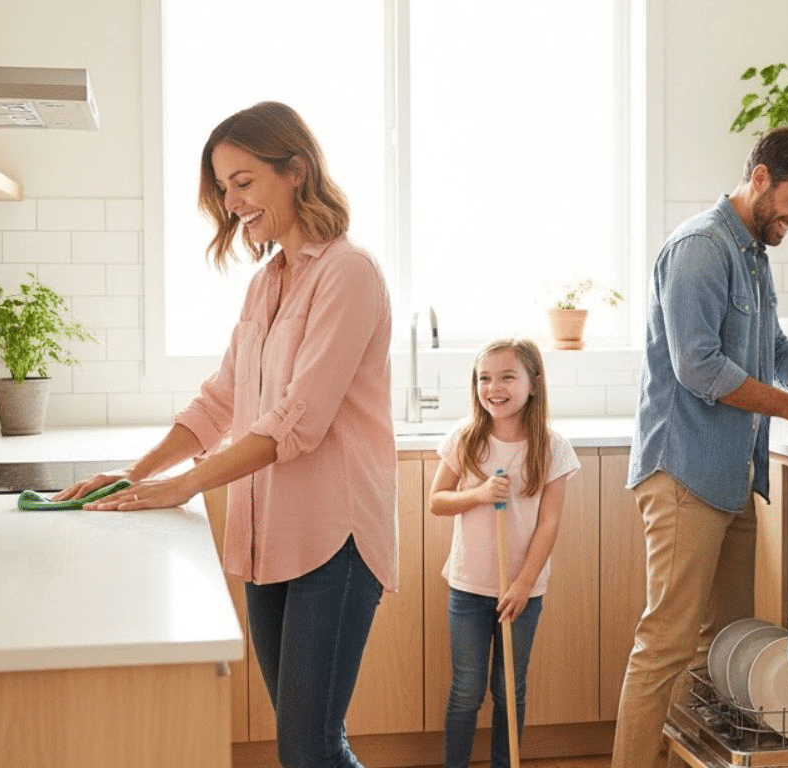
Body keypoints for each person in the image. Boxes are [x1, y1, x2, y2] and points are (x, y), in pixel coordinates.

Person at [58, 101, 396, 768]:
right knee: (308, 744)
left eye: (244, 181)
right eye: (222, 187)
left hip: (337, 537)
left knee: (309, 746)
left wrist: (183, 485)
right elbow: (221, 402)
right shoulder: (266, 284)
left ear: (295, 169)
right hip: (270, 536)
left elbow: (299, 418)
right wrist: (136, 474)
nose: (232, 201)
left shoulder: (348, 272)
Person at [612, 126, 788, 768]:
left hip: (730, 475)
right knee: (666, 644)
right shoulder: (702, 249)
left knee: (722, 646)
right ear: (760, 178)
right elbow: (698, 367)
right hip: (684, 473)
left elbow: (775, 352)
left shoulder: (753, 253)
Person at [428, 338, 580, 768]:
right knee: (466, 688)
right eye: (485, 378)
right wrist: (477, 494)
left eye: (507, 377)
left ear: (533, 383)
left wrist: (523, 584)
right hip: (469, 586)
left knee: (509, 688)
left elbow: (549, 523)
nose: (494, 387)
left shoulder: (552, 447)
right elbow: (437, 501)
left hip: (522, 591)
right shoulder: (466, 438)